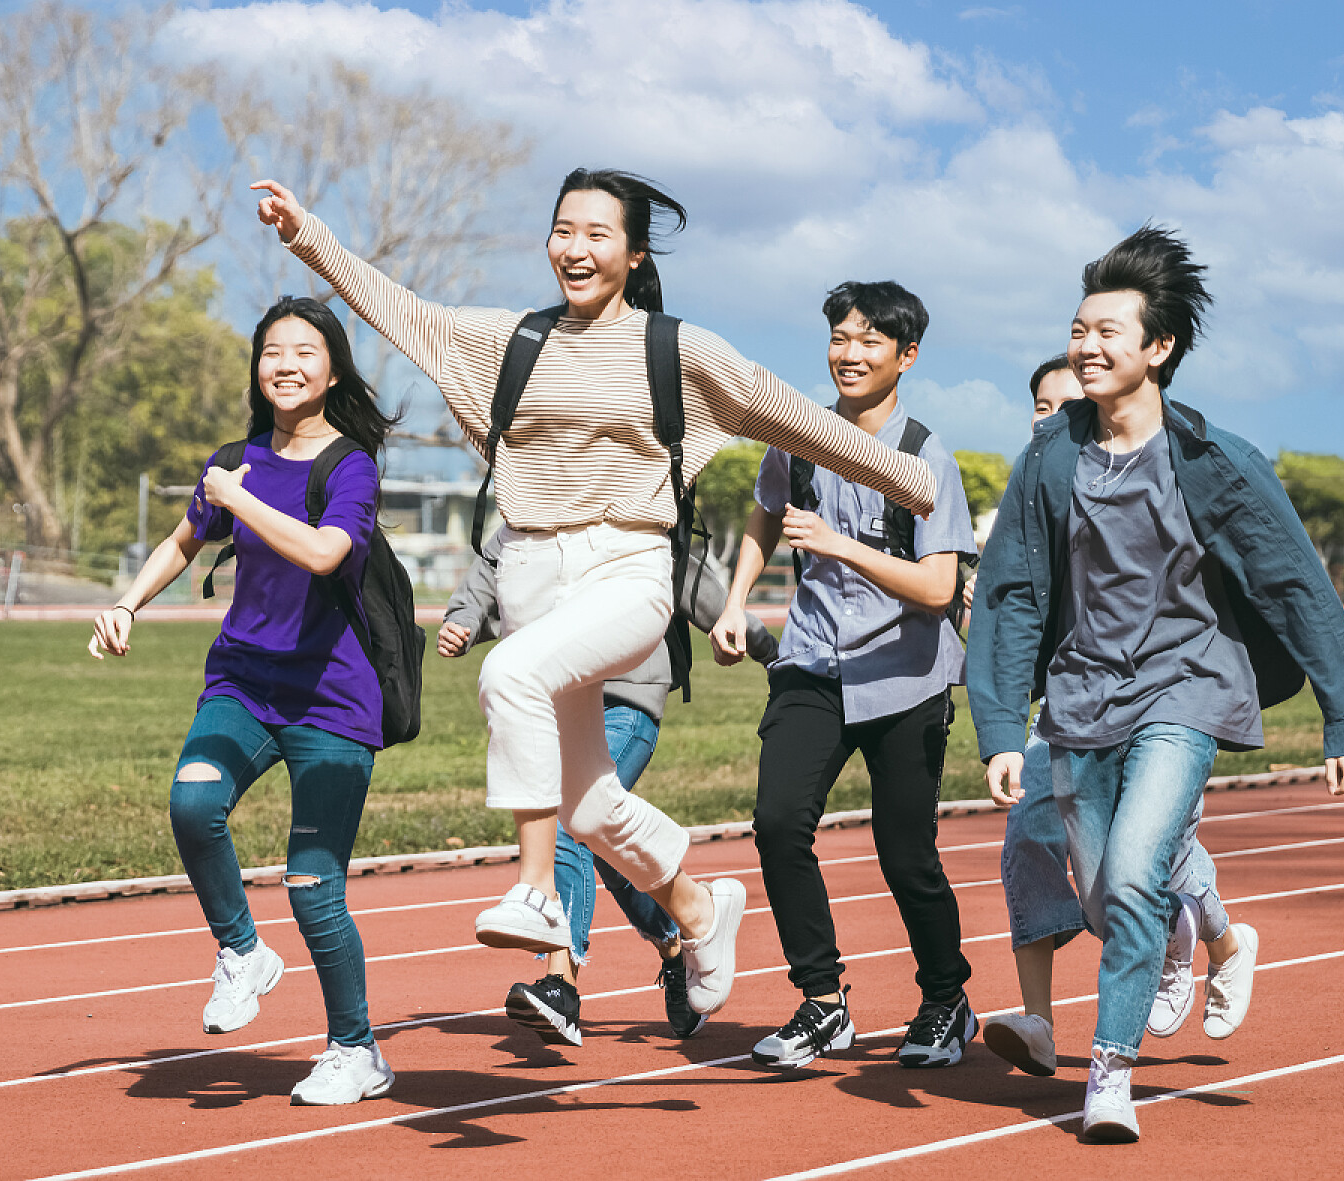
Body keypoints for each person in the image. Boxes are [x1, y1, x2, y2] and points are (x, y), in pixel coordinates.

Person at [253, 169, 936, 1024]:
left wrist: (908, 480)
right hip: (531, 571)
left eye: (597, 234)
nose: (575, 249)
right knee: (587, 799)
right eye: (562, 231)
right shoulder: (507, 342)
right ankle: (696, 908)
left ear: (634, 251)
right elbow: (398, 309)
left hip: (627, 566)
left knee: (510, 678)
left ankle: (538, 891)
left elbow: (793, 413)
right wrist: (306, 235)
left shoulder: (677, 351)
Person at [969, 227, 1344, 1142]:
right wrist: (1001, 725)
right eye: (1080, 329)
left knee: (1142, 865)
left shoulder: (1211, 459)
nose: (1088, 346)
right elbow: (1012, 594)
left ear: (1160, 349)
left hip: (1187, 688)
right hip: (1079, 699)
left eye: (1110, 331)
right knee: (1108, 897)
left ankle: (1108, 1077)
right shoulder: (1050, 458)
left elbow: (1293, 580)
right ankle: (1185, 934)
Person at [88, 296, 400, 1107]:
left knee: (312, 881)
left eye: (304, 351)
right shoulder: (234, 460)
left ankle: (354, 1048)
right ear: (256, 367)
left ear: (333, 369)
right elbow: (183, 539)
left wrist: (237, 497)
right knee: (193, 802)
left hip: (332, 699)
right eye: (271, 352)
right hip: (243, 681)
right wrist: (129, 602)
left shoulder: (350, 465)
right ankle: (241, 952)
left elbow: (326, 552)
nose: (286, 365)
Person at [713, 281, 978, 1071]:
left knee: (906, 854)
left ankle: (945, 999)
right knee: (777, 821)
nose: (850, 353)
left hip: (906, 677)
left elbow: (938, 587)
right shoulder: (799, 434)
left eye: (870, 341)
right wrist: (735, 598)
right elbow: (768, 512)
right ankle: (823, 1002)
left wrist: (843, 545)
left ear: (908, 356)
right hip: (812, 662)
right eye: (840, 337)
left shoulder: (926, 455)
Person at [981, 355, 1246, 1079]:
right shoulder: (1035, 488)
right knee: (1028, 835)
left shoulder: (1139, 481)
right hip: (1065, 703)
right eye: (1040, 403)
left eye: (1065, 403)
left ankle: (1215, 938)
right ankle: (1038, 1019)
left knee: (1147, 849)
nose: (1051, 415)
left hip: (1160, 695)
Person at [442, 530, 777, 1045]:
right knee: (596, 827)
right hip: (558, 686)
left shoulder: (635, 497)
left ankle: (560, 984)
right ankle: (680, 929)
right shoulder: (541, 488)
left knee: (568, 822)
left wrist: (765, 647)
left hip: (629, 698)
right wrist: (463, 618)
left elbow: (693, 583)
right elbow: (500, 558)